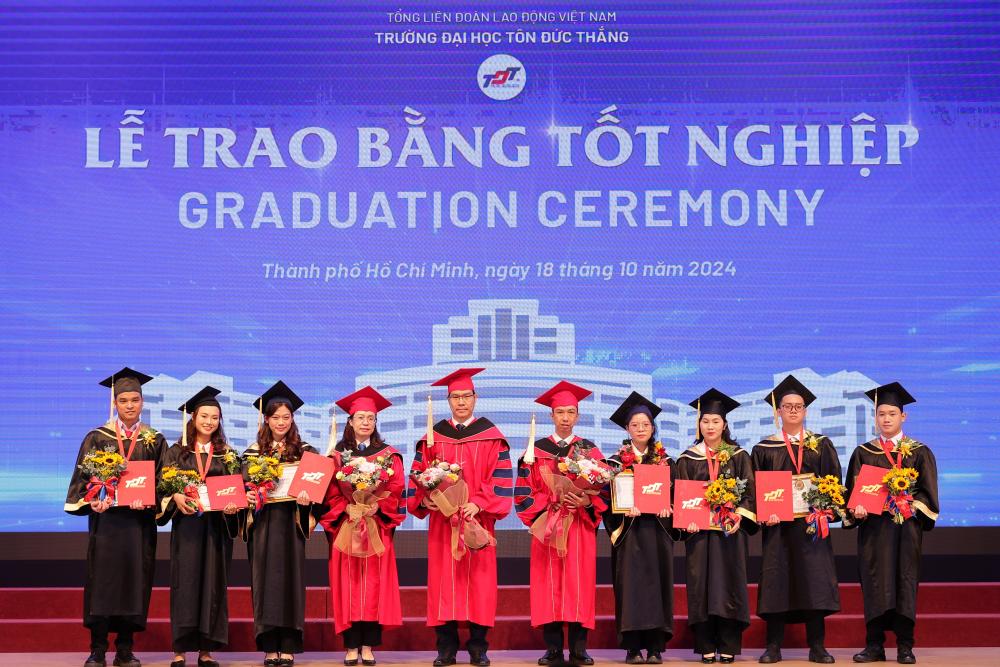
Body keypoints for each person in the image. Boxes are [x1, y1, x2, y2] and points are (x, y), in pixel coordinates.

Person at [407, 368, 513, 667]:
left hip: (477, 522)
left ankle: (478, 648)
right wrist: (428, 500)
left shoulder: (493, 438)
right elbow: (418, 476)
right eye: (456, 397)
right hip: (443, 524)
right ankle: (446, 649)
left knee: (480, 585)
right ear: (448, 400)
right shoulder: (432, 437)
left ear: (475, 398)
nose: (462, 402)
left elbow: (502, 480)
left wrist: (479, 503)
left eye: (467, 396)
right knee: (443, 583)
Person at [64, 367, 168, 667]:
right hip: (107, 525)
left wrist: (149, 502)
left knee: (134, 583)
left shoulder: (154, 440)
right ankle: (97, 648)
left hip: (138, 526)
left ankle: (125, 648)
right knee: (102, 583)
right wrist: (90, 501)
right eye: (123, 400)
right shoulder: (97, 438)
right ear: (115, 403)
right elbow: (80, 481)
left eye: (135, 399)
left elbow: (162, 481)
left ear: (143, 401)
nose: (130, 405)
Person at [845, 383, 939, 665]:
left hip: (906, 531)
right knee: (874, 582)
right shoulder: (863, 453)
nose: (886, 418)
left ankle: (905, 646)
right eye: (881, 413)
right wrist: (856, 508)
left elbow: (928, 493)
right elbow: (851, 493)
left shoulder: (919, 452)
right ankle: (874, 645)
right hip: (874, 532)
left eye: (892, 413)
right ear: (875, 417)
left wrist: (910, 503)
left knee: (904, 581)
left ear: (903, 417)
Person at [514, 381, 607, 666]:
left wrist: (586, 502)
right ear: (551, 416)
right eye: (560, 412)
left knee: (579, 585)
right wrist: (549, 507)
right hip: (547, 526)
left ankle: (579, 648)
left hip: (579, 527)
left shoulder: (589, 451)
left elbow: (603, 490)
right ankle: (553, 648)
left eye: (571, 412)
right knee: (548, 585)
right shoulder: (535, 451)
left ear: (578, 416)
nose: (565, 418)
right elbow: (523, 491)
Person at [752, 375, 840, 664]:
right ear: (778, 411)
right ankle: (773, 646)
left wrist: (825, 509)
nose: (792, 410)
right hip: (778, 529)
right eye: (787, 406)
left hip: (811, 528)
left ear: (805, 410)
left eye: (798, 406)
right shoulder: (764, 449)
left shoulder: (821, 445)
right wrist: (765, 513)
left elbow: (833, 484)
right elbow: (756, 489)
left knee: (813, 583)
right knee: (777, 582)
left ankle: (818, 646)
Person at [157, 386, 242, 667]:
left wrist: (232, 507)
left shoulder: (227, 455)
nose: (209, 422)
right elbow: (161, 488)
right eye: (204, 416)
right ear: (193, 418)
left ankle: (206, 650)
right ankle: (180, 649)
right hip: (188, 530)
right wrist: (175, 496)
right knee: (186, 584)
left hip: (216, 530)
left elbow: (236, 492)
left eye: (215, 417)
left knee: (213, 585)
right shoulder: (176, 452)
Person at [321, 386, 405, 667]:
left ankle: (368, 645)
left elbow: (396, 491)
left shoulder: (388, 456)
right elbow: (328, 493)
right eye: (361, 417)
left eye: (371, 417)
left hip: (376, 529)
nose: (366, 422)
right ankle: (350, 646)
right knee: (348, 585)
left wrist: (377, 506)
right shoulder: (336, 455)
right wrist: (346, 506)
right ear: (350, 421)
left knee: (373, 586)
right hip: (347, 527)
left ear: (376, 422)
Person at [242, 380, 324, 667]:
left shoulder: (306, 451)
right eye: (275, 417)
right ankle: (269, 647)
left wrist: (308, 498)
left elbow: (318, 488)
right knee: (264, 584)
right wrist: (249, 496)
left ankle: (288, 645)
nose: (281, 422)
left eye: (286, 417)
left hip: (291, 525)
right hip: (264, 526)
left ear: (293, 419)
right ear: (266, 419)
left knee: (290, 582)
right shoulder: (253, 454)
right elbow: (242, 490)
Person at [675, 388, 757, 665]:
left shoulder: (738, 456)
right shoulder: (687, 458)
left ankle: (729, 644)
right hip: (699, 537)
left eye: (715, 421)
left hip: (729, 535)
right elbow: (681, 496)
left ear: (725, 424)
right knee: (701, 587)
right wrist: (688, 523)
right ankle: (705, 645)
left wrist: (739, 517)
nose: (710, 426)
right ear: (698, 424)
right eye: (705, 421)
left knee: (729, 586)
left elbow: (750, 493)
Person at [601, 391, 675, 665]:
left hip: (657, 533)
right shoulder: (614, 464)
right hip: (629, 535)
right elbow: (606, 504)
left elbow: (676, 497)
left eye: (645, 425)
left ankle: (655, 647)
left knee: (657, 588)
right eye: (635, 425)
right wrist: (622, 512)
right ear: (627, 429)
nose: (641, 429)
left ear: (653, 428)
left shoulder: (667, 463)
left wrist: (669, 509)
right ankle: (632, 648)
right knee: (630, 590)